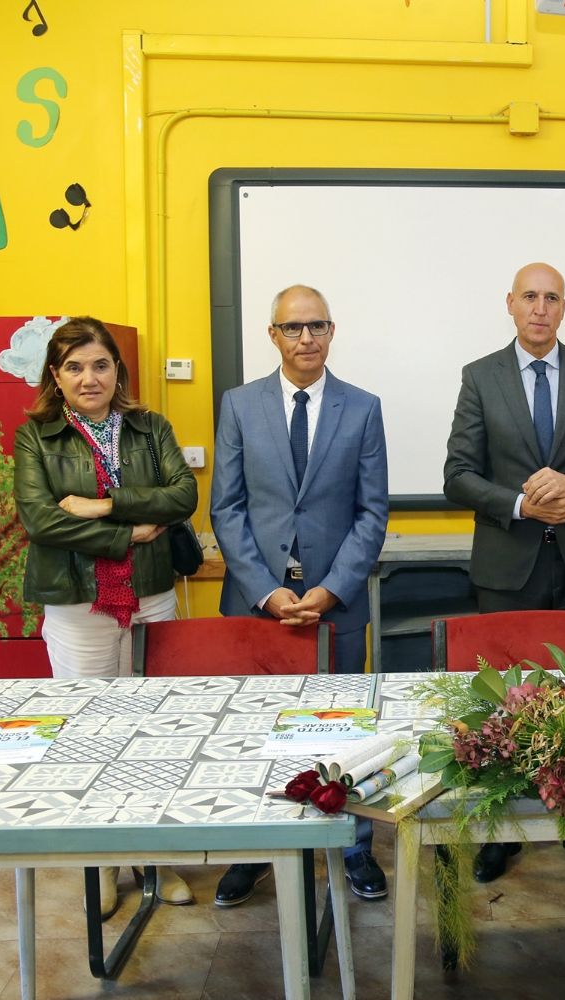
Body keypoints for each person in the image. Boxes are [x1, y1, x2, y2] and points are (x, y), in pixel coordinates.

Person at [443, 262, 565, 883]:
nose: (540, 308)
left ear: (564, 307)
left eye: (551, 298)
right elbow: (457, 475)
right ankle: (501, 830)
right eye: (530, 296)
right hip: (507, 564)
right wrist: (523, 503)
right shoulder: (481, 377)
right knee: (506, 704)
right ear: (510, 303)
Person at [14, 316, 199, 915]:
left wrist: (101, 505)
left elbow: (182, 496)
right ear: (55, 375)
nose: (88, 377)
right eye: (74, 366)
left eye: (100, 364)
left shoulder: (150, 428)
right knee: (89, 733)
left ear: (117, 369)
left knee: (154, 733)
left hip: (151, 596)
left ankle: (155, 859)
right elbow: (41, 521)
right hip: (77, 603)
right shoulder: (36, 436)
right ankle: (100, 864)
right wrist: (128, 535)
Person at [210, 284, 389, 904]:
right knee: (257, 731)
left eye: (317, 326)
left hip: (334, 607)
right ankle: (254, 852)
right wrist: (264, 592)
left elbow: (372, 513)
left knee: (344, 732)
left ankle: (354, 850)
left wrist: (332, 590)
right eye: (293, 328)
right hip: (256, 607)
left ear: (332, 332)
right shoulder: (238, 405)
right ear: (273, 335)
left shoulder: (362, 408)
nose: (306, 338)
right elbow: (226, 509)